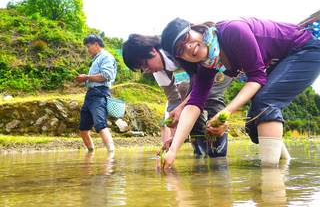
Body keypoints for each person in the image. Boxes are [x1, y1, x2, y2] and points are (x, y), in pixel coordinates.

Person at [160, 17, 320, 167]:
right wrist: (173, 150)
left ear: (196, 29)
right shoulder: (207, 65)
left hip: (305, 49)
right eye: (180, 50)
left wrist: (225, 113)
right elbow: (194, 104)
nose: (187, 47)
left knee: (264, 102)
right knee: (253, 123)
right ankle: (285, 164)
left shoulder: (232, 31)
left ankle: (271, 178)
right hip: (279, 63)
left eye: (186, 38)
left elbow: (257, 77)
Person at [122, 34, 232, 158]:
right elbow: (174, 101)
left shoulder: (180, 48)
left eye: (145, 65)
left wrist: (183, 108)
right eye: (142, 69)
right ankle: (200, 152)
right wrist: (173, 138)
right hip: (197, 80)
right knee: (187, 105)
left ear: (152, 50)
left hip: (218, 66)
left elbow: (200, 88)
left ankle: (218, 154)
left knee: (210, 98)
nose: (147, 71)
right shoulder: (158, 71)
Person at [76, 34, 117, 155]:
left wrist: (87, 77)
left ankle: (111, 156)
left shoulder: (106, 57)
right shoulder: (96, 59)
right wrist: (85, 79)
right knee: (83, 129)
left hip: (99, 94)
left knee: (100, 125)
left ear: (96, 44)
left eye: (88, 46)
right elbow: (95, 78)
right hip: (90, 95)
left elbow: (106, 76)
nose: (87, 49)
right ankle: (91, 153)